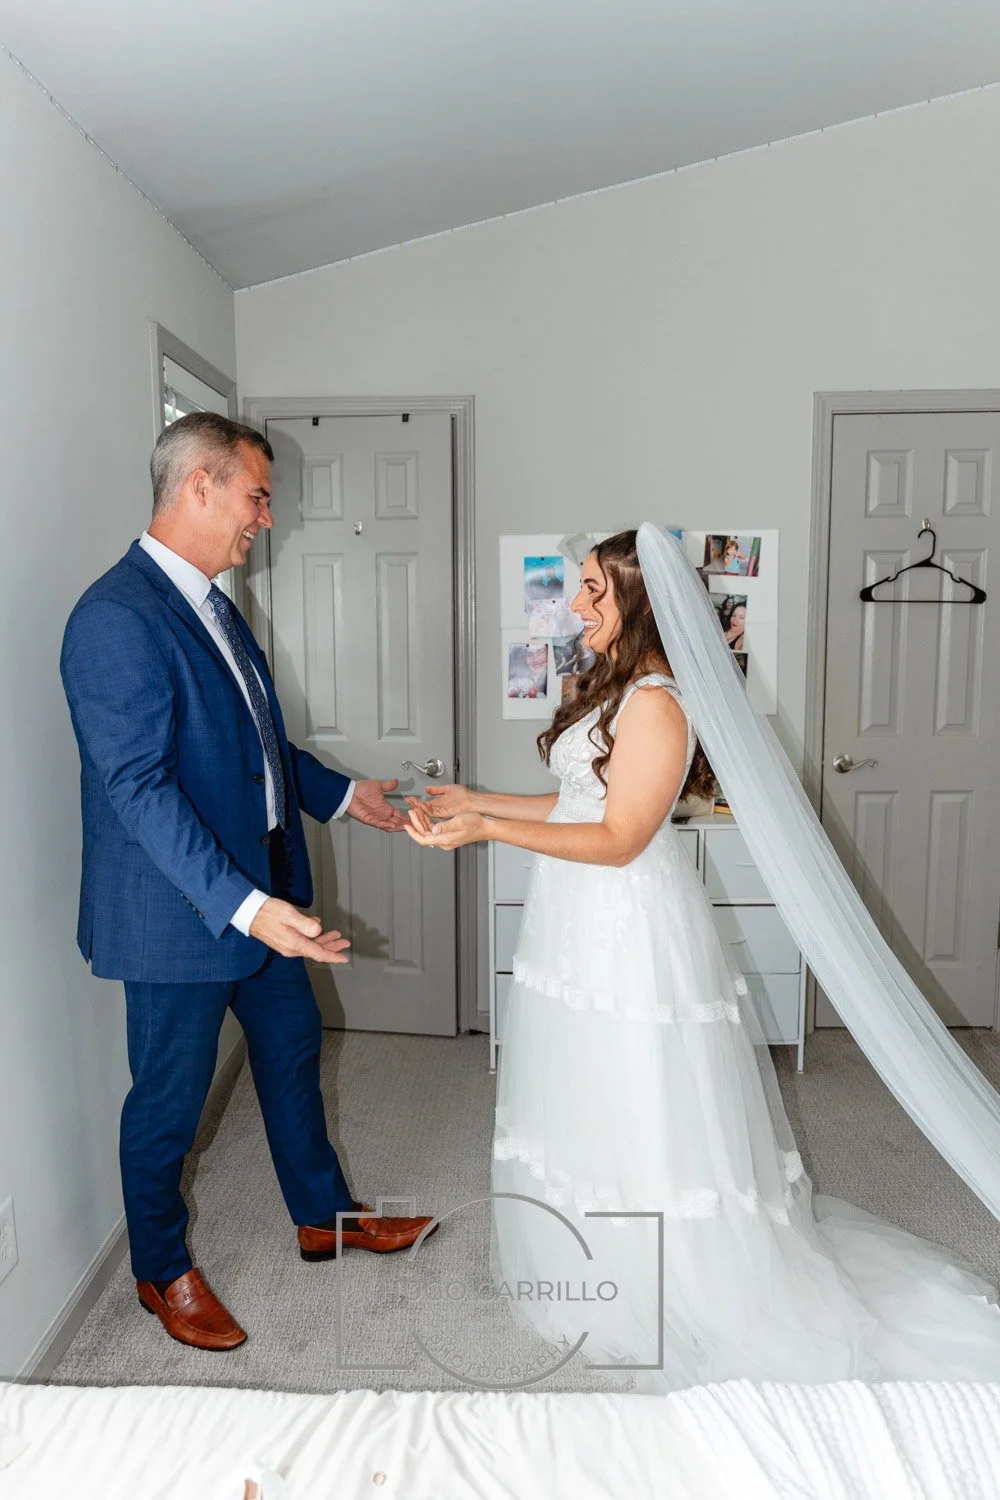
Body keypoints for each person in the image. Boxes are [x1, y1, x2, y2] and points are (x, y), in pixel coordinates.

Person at [405, 529, 1000, 1389]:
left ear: (636, 600)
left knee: (637, 1092)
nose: (576, 605)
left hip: (624, 921)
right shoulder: (608, 689)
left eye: (591, 591)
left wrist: (487, 829)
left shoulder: (657, 703)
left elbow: (618, 838)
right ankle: (590, 1259)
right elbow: (577, 800)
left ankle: (663, 1278)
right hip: (572, 916)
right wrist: (479, 797)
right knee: (581, 1087)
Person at [60, 412, 436, 1353]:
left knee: (293, 1048)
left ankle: (325, 1217)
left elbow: (259, 748)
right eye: (257, 495)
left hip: (260, 894)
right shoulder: (114, 618)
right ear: (199, 486)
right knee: (169, 1104)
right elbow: (138, 790)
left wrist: (348, 796)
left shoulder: (217, 605)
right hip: (184, 913)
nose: (265, 517)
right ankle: (160, 1268)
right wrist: (249, 908)